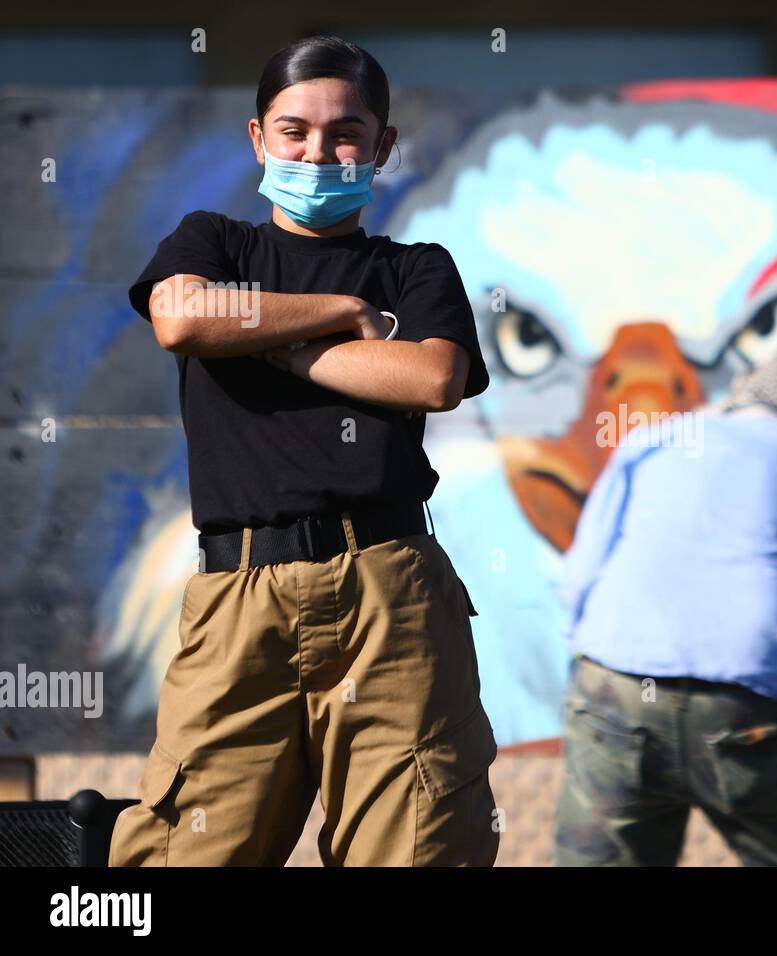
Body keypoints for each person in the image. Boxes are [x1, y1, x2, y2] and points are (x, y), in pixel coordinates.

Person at [108, 35, 499, 867]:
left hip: (389, 592)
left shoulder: (416, 268)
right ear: (258, 139)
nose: (319, 152)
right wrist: (338, 314)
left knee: (420, 846)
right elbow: (181, 317)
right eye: (295, 131)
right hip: (235, 601)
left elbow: (431, 375)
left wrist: (266, 342)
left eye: (346, 132)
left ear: (383, 147)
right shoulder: (212, 240)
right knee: (186, 851)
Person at [553, 346, 777, 866]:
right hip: (749, 714)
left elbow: (578, 584)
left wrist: (595, 683)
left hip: (613, 695)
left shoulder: (652, 442)